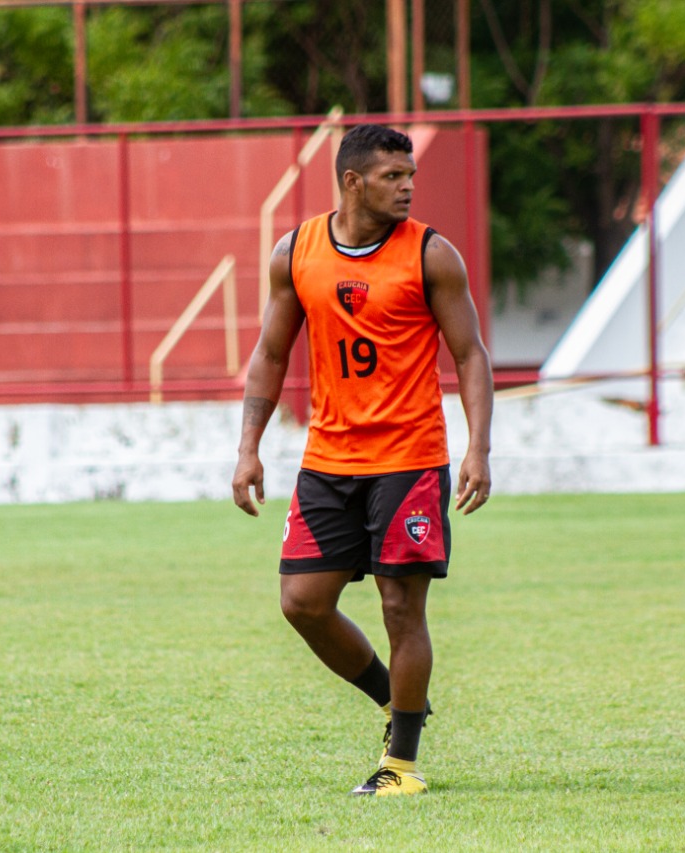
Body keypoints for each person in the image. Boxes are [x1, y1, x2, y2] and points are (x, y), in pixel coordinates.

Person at [232, 124, 493, 793]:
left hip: (409, 457)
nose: (408, 186)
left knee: (401, 608)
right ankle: (396, 697)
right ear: (352, 181)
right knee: (302, 601)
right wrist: (248, 448)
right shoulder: (296, 252)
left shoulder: (433, 255)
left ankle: (401, 765)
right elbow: (269, 352)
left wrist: (478, 447)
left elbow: (470, 355)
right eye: (392, 176)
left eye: (410, 175)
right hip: (329, 456)